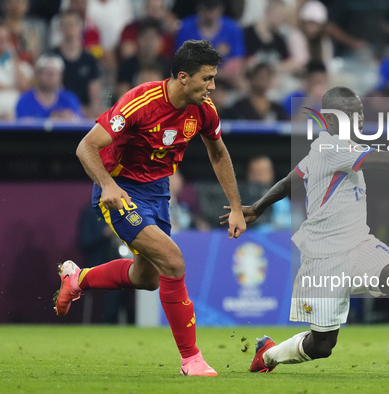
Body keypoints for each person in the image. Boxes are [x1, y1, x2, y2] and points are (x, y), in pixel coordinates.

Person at [221, 86, 389, 377]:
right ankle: (269, 353)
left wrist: (259, 206)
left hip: (359, 244)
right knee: (321, 345)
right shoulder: (334, 149)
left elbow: (292, 179)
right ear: (332, 120)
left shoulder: (325, 148)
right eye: (351, 113)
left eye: (360, 111)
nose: (360, 117)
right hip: (324, 258)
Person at [53, 40, 247, 377]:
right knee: (173, 261)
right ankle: (192, 359)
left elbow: (218, 153)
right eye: (207, 78)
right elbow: (86, 148)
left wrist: (236, 206)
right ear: (183, 77)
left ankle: (78, 278)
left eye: (214, 78)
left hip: (157, 192)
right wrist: (109, 186)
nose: (212, 86)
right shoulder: (140, 102)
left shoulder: (204, 109)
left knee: (148, 277)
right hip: (120, 189)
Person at [53, 10, 103, 119]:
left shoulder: (90, 59)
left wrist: (91, 110)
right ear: (60, 29)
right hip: (59, 111)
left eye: (72, 24)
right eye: (65, 25)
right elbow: (53, 91)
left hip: (85, 112)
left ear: (80, 27)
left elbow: (95, 96)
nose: (69, 28)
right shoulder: (52, 57)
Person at [15, 54, 83, 120]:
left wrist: (70, 119)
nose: (50, 77)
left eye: (54, 73)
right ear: (38, 74)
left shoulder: (69, 99)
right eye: (46, 73)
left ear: (60, 76)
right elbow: (22, 126)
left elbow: (78, 123)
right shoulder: (25, 100)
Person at [117, 18, 171, 99]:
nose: (149, 43)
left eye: (153, 38)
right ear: (139, 39)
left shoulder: (168, 66)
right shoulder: (127, 65)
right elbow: (122, 95)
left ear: (160, 41)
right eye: (146, 37)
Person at [0, 24, 32, 119]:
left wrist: (15, 60)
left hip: (14, 113)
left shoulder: (20, 64)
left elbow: (25, 89)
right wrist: (14, 88)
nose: (1, 42)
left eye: (5, 39)